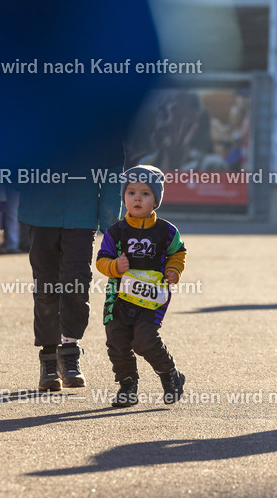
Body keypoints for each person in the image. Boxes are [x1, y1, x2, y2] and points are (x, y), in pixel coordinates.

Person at [21, 170, 123, 391]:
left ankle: (69, 352)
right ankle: (48, 358)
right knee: (46, 286)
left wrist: (110, 223)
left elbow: (112, 171)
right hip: (41, 211)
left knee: (76, 283)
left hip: (81, 213)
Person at [96, 165, 187, 407]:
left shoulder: (167, 231)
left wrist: (174, 270)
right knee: (117, 341)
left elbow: (178, 253)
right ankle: (127, 386)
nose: (137, 198)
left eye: (145, 193)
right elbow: (101, 260)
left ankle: (170, 374)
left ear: (156, 200)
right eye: (131, 193)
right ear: (124, 197)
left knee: (144, 340)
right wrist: (115, 266)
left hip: (152, 298)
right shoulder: (115, 232)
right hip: (118, 299)